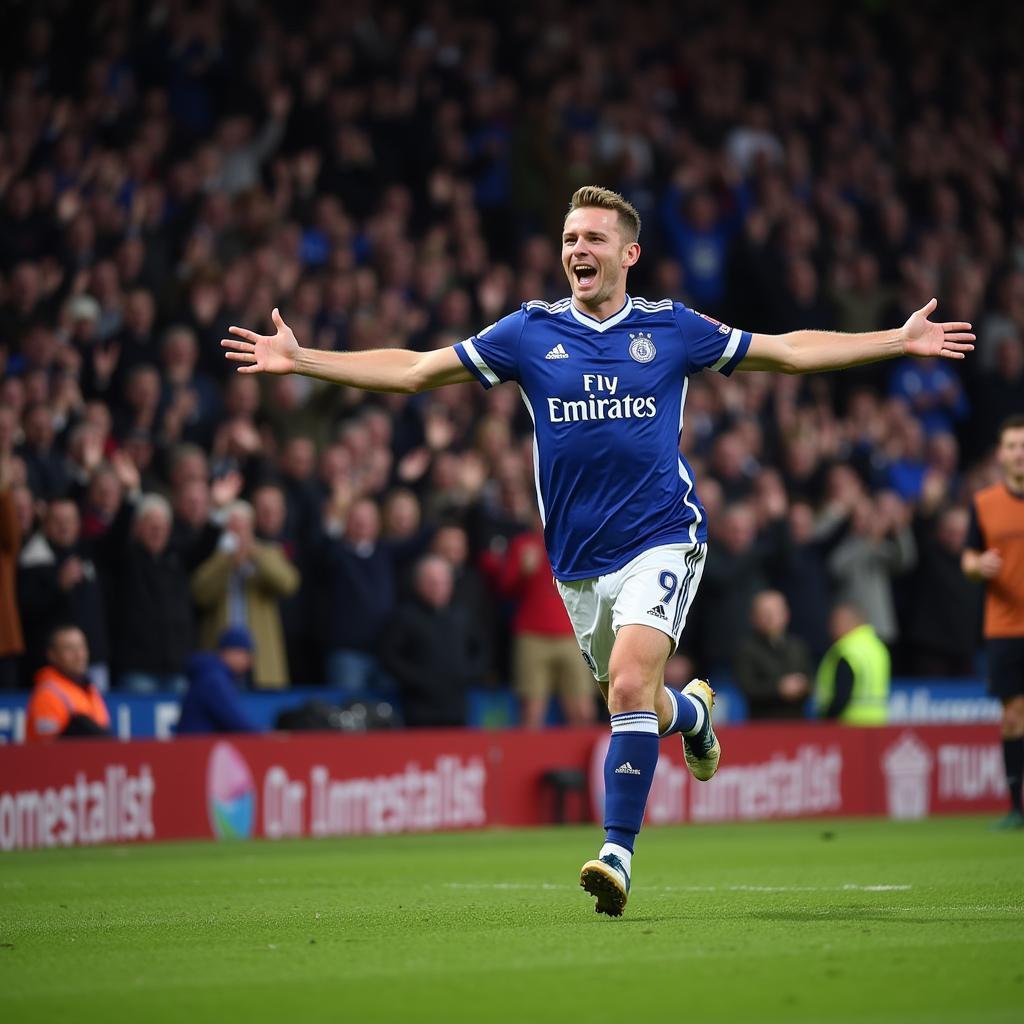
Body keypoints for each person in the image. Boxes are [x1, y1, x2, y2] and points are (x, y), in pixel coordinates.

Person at [223, 185, 974, 915]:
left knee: (624, 690)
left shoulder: (673, 328)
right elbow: (417, 370)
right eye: (569, 240)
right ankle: (696, 719)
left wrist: (896, 340)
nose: (577, 250)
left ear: (630, 253)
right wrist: (306, 358)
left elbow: (787, 352)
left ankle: (616, 854)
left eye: (593, 240)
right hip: (579, 566)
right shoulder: (527, 332)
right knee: (639, 700)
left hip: (663, 536)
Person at [962, 415, 1024, 829]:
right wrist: (977, 565)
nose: (1019, 453)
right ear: (1000, 454)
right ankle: (1016, 808)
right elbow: (968, 556)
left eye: (1023, 445)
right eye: (1012, 446)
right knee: (1014, 716)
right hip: (1004, 626)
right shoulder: (984, 503)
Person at [380, 555, 487, 728]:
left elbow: (482, 648)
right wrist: (417, 679)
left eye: (443, 582)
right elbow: (389, 655)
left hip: (457, 706)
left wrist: (467, 674)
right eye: (431, 582)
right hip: (419, 708)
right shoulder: (405, 616)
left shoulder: (463, 615)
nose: (438, 588)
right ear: (418, 584)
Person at [734, 590, 812, 720]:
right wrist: (779, 689)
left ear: (786, 614)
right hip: (762, 725)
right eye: (765, 613)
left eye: (776, 611)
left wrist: (802, 685)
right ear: (753, 617)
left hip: (797, 724)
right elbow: (747, 687)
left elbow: (811, 680)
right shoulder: (747, 649)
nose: (770, 617)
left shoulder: (798, 646)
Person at [26, 625, 111, 741]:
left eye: (81, 647)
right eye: (69, 649)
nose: (79, 655)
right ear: (53, 655)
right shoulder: (47, 695)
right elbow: (46, 749)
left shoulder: (89, 689)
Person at [814, 604, 891, 725]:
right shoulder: (878, 647)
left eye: (834, 623)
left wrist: (826, 721)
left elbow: (842, 696)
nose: (830, 628)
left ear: (847, 622)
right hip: (877, 724)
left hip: (847, 726)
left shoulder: (847, 650)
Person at [176, 625, 260, 735]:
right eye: (246, 654)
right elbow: (235, 721)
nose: (249, 662)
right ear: (229, 652)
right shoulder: (213, 678)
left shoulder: (215, 674)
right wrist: (267, 737)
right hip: (195, 748)